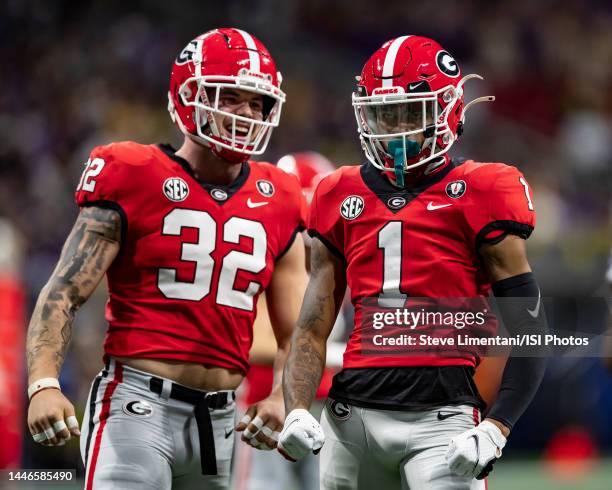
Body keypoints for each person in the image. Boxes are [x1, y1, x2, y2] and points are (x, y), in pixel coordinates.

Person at [25, 28, 308, 490]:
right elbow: (65, 290)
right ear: (189, 96)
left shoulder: (280, 196)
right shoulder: (133, 172)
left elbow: (297, 331)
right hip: (136, 405)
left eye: (258, 103)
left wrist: (283, 395)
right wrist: (43, 383)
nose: (246, 113)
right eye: (231, 96)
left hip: (222, 418)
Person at [279, 35, 548, 489]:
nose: (393, 129)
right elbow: (310, 327)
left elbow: (531, 327)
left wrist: (497, 426)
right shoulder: (337, 192)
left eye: (409, 112)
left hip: (442, 421)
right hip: (352, 421)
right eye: (382, 113)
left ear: (449, 110)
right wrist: (299, 409)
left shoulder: (483, 189)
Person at [235, 152, 348, 490]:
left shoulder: (335, 260)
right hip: (267, 396)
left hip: (323, 400)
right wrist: (334, 354)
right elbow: (260, 344)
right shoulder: (267, 253)